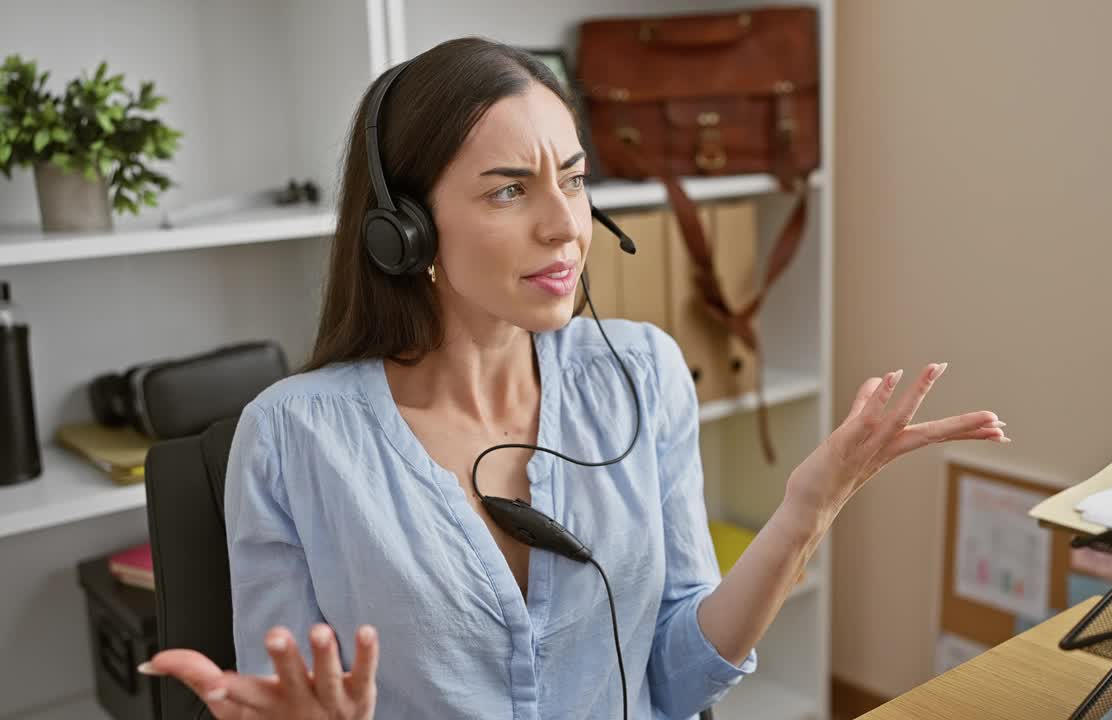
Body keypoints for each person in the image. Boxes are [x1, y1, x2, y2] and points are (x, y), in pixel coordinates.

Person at [136, 37, 1009, 719]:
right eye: (509, 191)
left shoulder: (641, 374)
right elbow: (286, 695)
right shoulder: (293, 438)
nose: (567, 225)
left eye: (576, 179)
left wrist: (805, 513)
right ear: (404, 230)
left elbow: (677, 673)